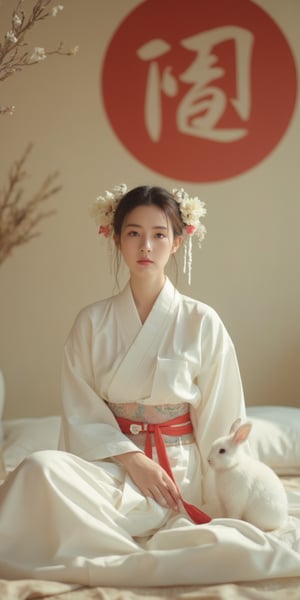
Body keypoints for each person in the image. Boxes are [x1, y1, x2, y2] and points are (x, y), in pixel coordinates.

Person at [0, 184, 299, 586]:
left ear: (178, 242)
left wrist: (222, 496)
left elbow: (222, 419)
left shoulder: (201, 322)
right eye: (134, 233)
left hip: (179, 472)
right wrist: (132, 459)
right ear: (116, 238)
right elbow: (81, 410)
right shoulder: (91, 323)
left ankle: (148, 524)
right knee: (38, 467)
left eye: (159, 234)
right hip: (112, 466)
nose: (146, 245)